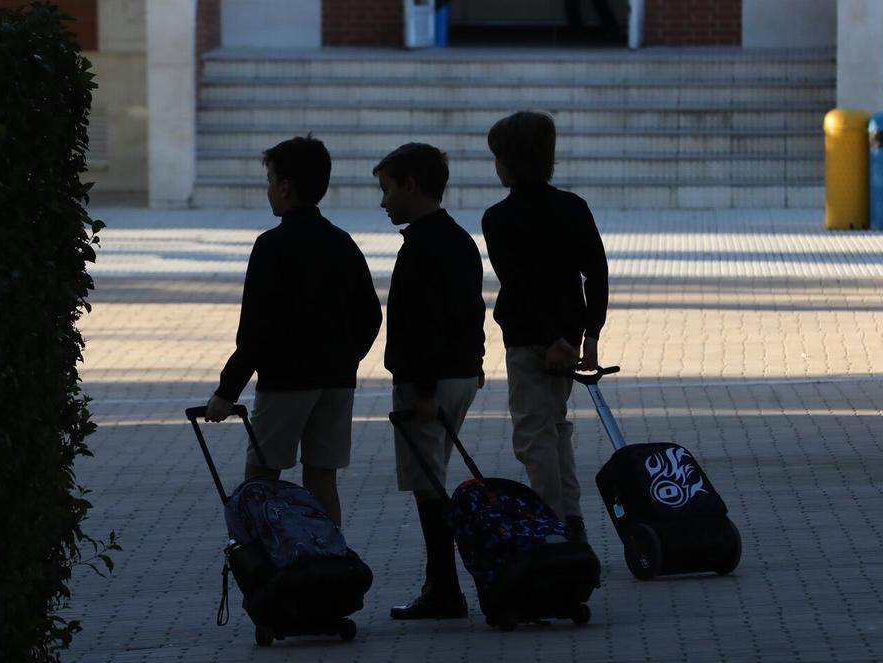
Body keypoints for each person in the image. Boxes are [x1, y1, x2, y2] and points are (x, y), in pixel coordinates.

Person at [204, 135, 381, 529]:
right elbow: (371, 315)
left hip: (285, 381)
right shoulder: (342, 242)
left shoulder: (272, 246)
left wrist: (226, 391)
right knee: (322, 478)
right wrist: (343, 357)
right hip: (336, 382)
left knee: (262, 479)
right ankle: (330, 561)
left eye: (270, 180)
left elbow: (255, 330)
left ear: (285, 186)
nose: (268, 189)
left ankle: (269, 566)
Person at [482, 111, 609, 544]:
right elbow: (596, 273)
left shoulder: (498, 217)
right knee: (555, 426)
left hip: (528, 338)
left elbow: (517, 284)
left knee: (533, 432)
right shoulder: (573, 207)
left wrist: (552, 337)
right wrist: (586, 335)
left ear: (509, 161)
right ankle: (570, 518)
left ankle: (554, 524)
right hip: (570, 337)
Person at [375, 143, 486, 620]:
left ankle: (444, 588)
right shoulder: (459, 238)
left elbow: (421, 326)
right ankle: (442, 585)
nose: (383, 203)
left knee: (428, 487)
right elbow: (471, 311)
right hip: (461, 374)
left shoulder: (420, 248)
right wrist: (476, 364)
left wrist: (419, 390)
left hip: (429, 384)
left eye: (387, 190)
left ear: (411, 185)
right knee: (434, 479)